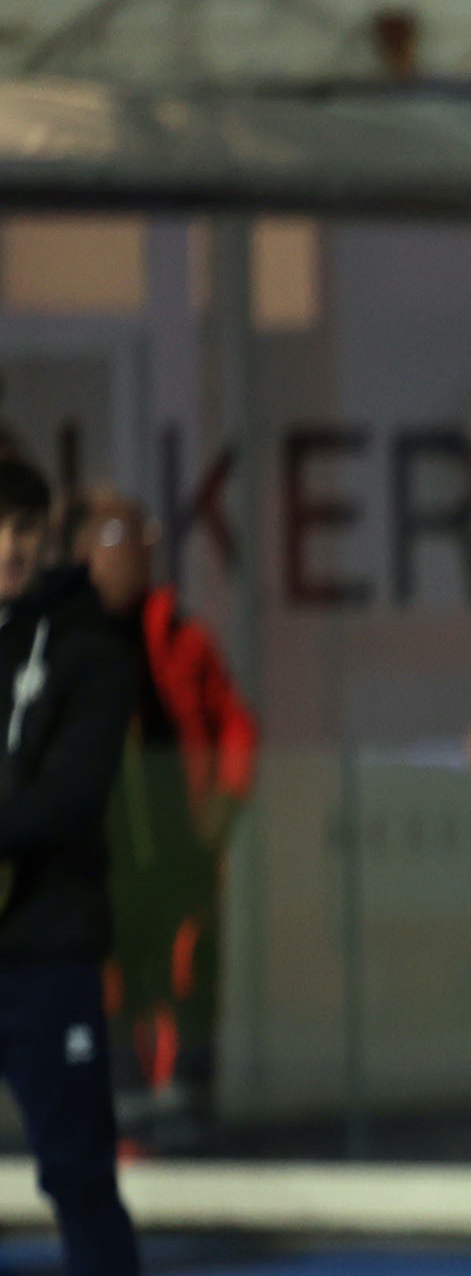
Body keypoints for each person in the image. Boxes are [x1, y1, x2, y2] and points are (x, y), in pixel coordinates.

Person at [0, 458, 159, 1276]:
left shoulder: (89, 649)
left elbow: (65, 800)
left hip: (44, 956)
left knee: (78, 1177)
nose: (9, 548)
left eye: (23, 529)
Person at [74, 491, 257, 1145]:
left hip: (178, 844)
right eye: (118, 543)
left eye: (140, 544)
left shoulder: (179, 634)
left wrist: (223, 806)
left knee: (186, 969)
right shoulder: (63, 640)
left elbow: (236, 728)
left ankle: (186, 1105)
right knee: (110, 978)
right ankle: (122, 1107)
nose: (133, 558)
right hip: (101, 852)